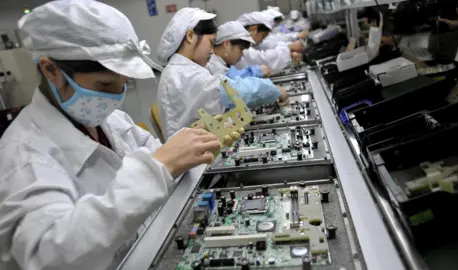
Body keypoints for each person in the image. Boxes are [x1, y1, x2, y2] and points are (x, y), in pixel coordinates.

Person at [0, 1, 222, 270]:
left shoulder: (111, 120)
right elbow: (50, 256)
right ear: (51, 70)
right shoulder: (21, 156)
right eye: (105, 84)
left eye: (123, 83)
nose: (116, 96)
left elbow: (158, 154)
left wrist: (185, 149)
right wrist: (156, 169)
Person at [157, 8, 288, 139]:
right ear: (190, 36)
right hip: (196, 155)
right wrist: (273, 89)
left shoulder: (182, 70)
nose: (212, 51)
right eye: (211, 43)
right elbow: (233, 91)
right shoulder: (185, 75)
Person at [235, 11, 301, 74]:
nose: (262, 40)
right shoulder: (239, 45)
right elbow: (264, 61)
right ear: (254, 29)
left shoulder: (246, 41)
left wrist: (287, 53)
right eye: (263, 36)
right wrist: (287, 49)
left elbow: (266, 46)